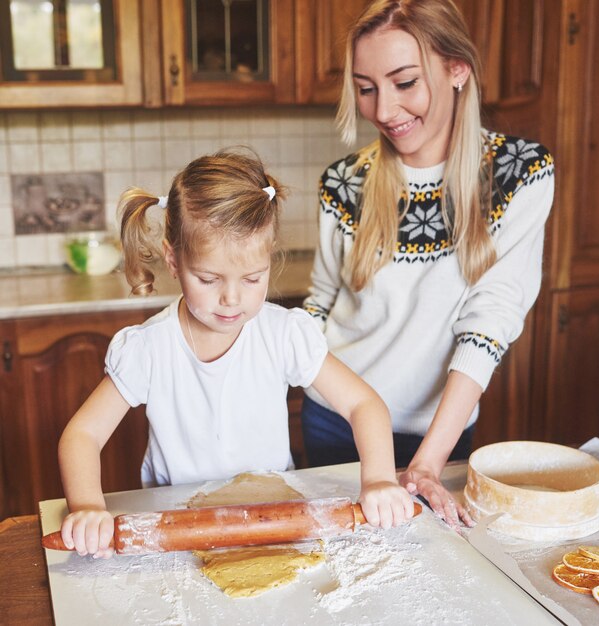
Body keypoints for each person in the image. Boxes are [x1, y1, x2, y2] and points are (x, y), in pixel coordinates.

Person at [58, 148, 414, 559]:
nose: (231, 299)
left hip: (273, 523)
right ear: (173, 259)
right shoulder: (149, 349)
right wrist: (87, 507)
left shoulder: (282, 334)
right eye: (208, 278)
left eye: (252, 278)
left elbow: (363, 404)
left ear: (269, 258)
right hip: (173, 532)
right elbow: (81, 435)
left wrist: (380, 480)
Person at [301, 0, 555, 529]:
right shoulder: (343, 183)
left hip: (439, 429)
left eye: (405, 82)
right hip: (336, 423)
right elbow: (319, 304)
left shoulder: (519, 174)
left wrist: (428, 464)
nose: (384, 110)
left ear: (457, 68)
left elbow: (491, 321)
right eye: (366, 88)